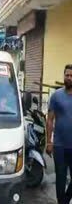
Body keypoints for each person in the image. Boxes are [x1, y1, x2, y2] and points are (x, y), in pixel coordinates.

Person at [46, 64, 72, 204]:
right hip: (60, 146)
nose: (69, 78)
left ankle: (65, 200)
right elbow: (50, 120)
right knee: (60, 179)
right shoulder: (56, 96)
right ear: (63, 76)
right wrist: (49, 142)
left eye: (71, 75)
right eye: (67, 75)